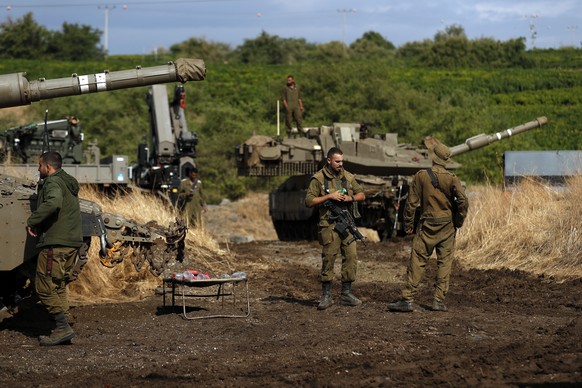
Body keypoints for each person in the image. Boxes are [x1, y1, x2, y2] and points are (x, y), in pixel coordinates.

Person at [388, 140, 469, 313]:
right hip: (447, 226)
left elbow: (411, 203)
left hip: (427, 224)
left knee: (417, 260)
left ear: (433, 158)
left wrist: (408, 224)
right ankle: (438, 301)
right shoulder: (453, 178)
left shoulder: (421, 176)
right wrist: (459, 220)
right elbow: (463, 201)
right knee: (445, 262)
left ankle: (408, 299)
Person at [26, 151, 83, 346]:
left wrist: (32, 220)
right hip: (71, 242)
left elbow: (53, 202)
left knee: (43, 285)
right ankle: (65, 321)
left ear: (48, 168)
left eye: (39, 165)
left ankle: (62, 328)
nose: (38, 168)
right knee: (57, 284)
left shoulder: (52, 183)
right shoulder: (67, 182)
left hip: (56, 242)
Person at [305, 147, 366, 310]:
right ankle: (326, 296)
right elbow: (309, 201)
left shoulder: (348, 176)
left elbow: (362, 195)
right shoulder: (318, 179)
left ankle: (346, 293)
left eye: (342, 161)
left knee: (351, 257)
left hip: (346, 224)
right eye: (337, 161)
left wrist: (350, 198)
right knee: (329, 258)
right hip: (329, 226)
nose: (341, 164)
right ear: (329, 161)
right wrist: (329, 196)